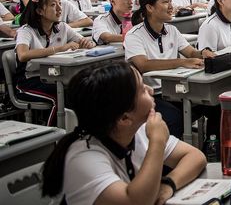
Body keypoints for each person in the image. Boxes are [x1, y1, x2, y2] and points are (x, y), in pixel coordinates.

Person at [41, 61, 206, 205]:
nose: (149, 89)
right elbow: (135, 202)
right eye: (142, 89)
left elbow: (195, 157)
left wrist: (168, 184)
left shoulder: (137, 129)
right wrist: (157, 142)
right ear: (124, 118)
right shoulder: (83, 157)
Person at [124, 0, 217, 139]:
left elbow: (190, 52)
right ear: (149, 7)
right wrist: (181, 62)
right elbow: (143, 65)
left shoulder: (171, 30)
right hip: (153, 94)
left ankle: (213, 150)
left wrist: (202, 53)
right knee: (174, 118)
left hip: (177, 90)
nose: (171, 7)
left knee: (215, 105)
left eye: (171, 1)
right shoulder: (134, 35)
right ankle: (169, 159)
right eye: (166, 2)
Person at [15, 0, 95, 125]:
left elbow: (86, 42)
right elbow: (23, 55)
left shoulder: (62, 26)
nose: (59, 9)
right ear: (40, 11)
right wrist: (59, 48)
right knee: (60, 97)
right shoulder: (26, 30)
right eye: (53, 5)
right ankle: (55, 138)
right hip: (30, 81)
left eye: (60, 4)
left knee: (83, 90)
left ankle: (81, 130)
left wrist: (89, 43)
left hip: (56, 78)